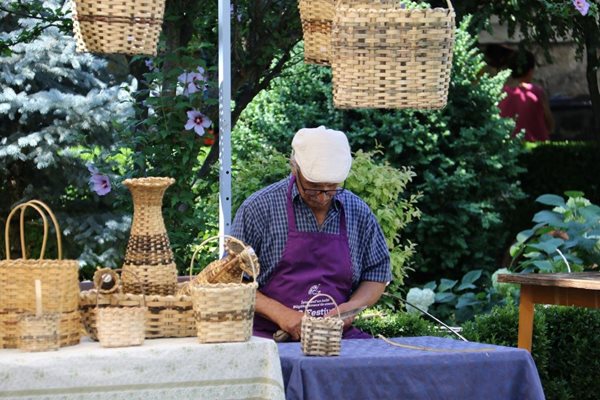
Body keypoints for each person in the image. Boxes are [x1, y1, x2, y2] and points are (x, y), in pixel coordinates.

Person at [231, 126, 391, 341]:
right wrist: (283, 315)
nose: (323, 197)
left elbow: (377, 274)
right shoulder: (259, 208)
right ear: (294, 167)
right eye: (314, 187)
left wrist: (350, 309)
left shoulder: (357, 211)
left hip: (335, 337)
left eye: (332, 187)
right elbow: (232, 281)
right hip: (268, 337)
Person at [498, 50, 555, 142]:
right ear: (531, 70)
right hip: (537, 147)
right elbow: (550, 126)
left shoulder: (501, 93)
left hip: (508, 149)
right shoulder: (537, 92)